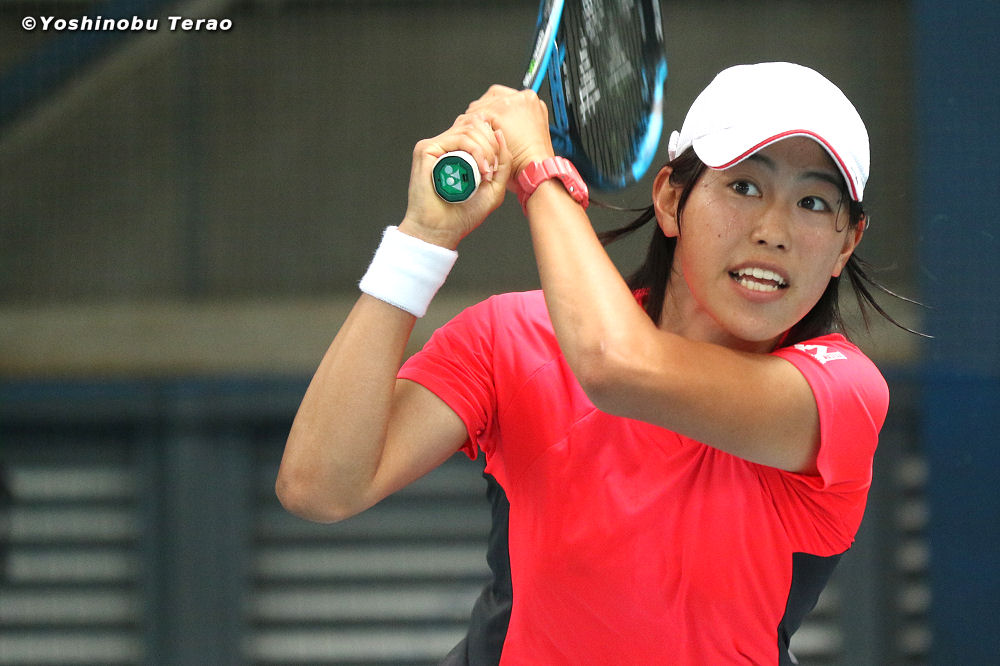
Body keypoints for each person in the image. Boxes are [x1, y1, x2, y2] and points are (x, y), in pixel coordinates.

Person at [277, 62, 913, 664]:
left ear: (846, 245)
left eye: (813, 203)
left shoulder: (841, 393)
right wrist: (423, 238)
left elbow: (616, 367)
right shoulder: (513, 337)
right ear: (670, 200)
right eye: (744, 186)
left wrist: (538, 169)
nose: (773, 230)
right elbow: (319, 487)